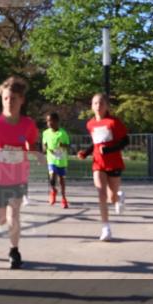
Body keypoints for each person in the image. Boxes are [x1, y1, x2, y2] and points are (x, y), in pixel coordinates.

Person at [0, 76, 42, 268]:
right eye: (6, 98)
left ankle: (14, 251)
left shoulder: (28, 124)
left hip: (18, 176)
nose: (9, 102)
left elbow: (31, 144)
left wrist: (37, 154)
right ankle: (7, 232)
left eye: (13, 98)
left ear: (21, 100)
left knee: (13, 214)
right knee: (0, 219)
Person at [77, 93, 129, 241]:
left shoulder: (113, 122)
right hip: (98, 164)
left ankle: (118, 197)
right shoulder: (90, 124)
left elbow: (125, 141)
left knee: (112, 197)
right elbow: (96, 143)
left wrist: (109, 149)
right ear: (91, 106)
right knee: (101, 193)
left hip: (113, 163)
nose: (98, 106)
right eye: (95, 103)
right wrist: (86, 153)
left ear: (106, 106)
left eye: (101, 103)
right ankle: (106, 228)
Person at [42, 112, 70, 208]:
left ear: (57, 121)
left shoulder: (62, 133)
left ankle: (63, 198)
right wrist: (44, 148)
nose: (49, 123)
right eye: (47, 121)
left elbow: (68, 145)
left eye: (51, 121)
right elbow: (44, 143)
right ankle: (53, 190)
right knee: (52, 175)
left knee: (61, 179)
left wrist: (63, 145)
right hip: (51, 158)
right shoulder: (46, 133)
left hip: (61, 159)